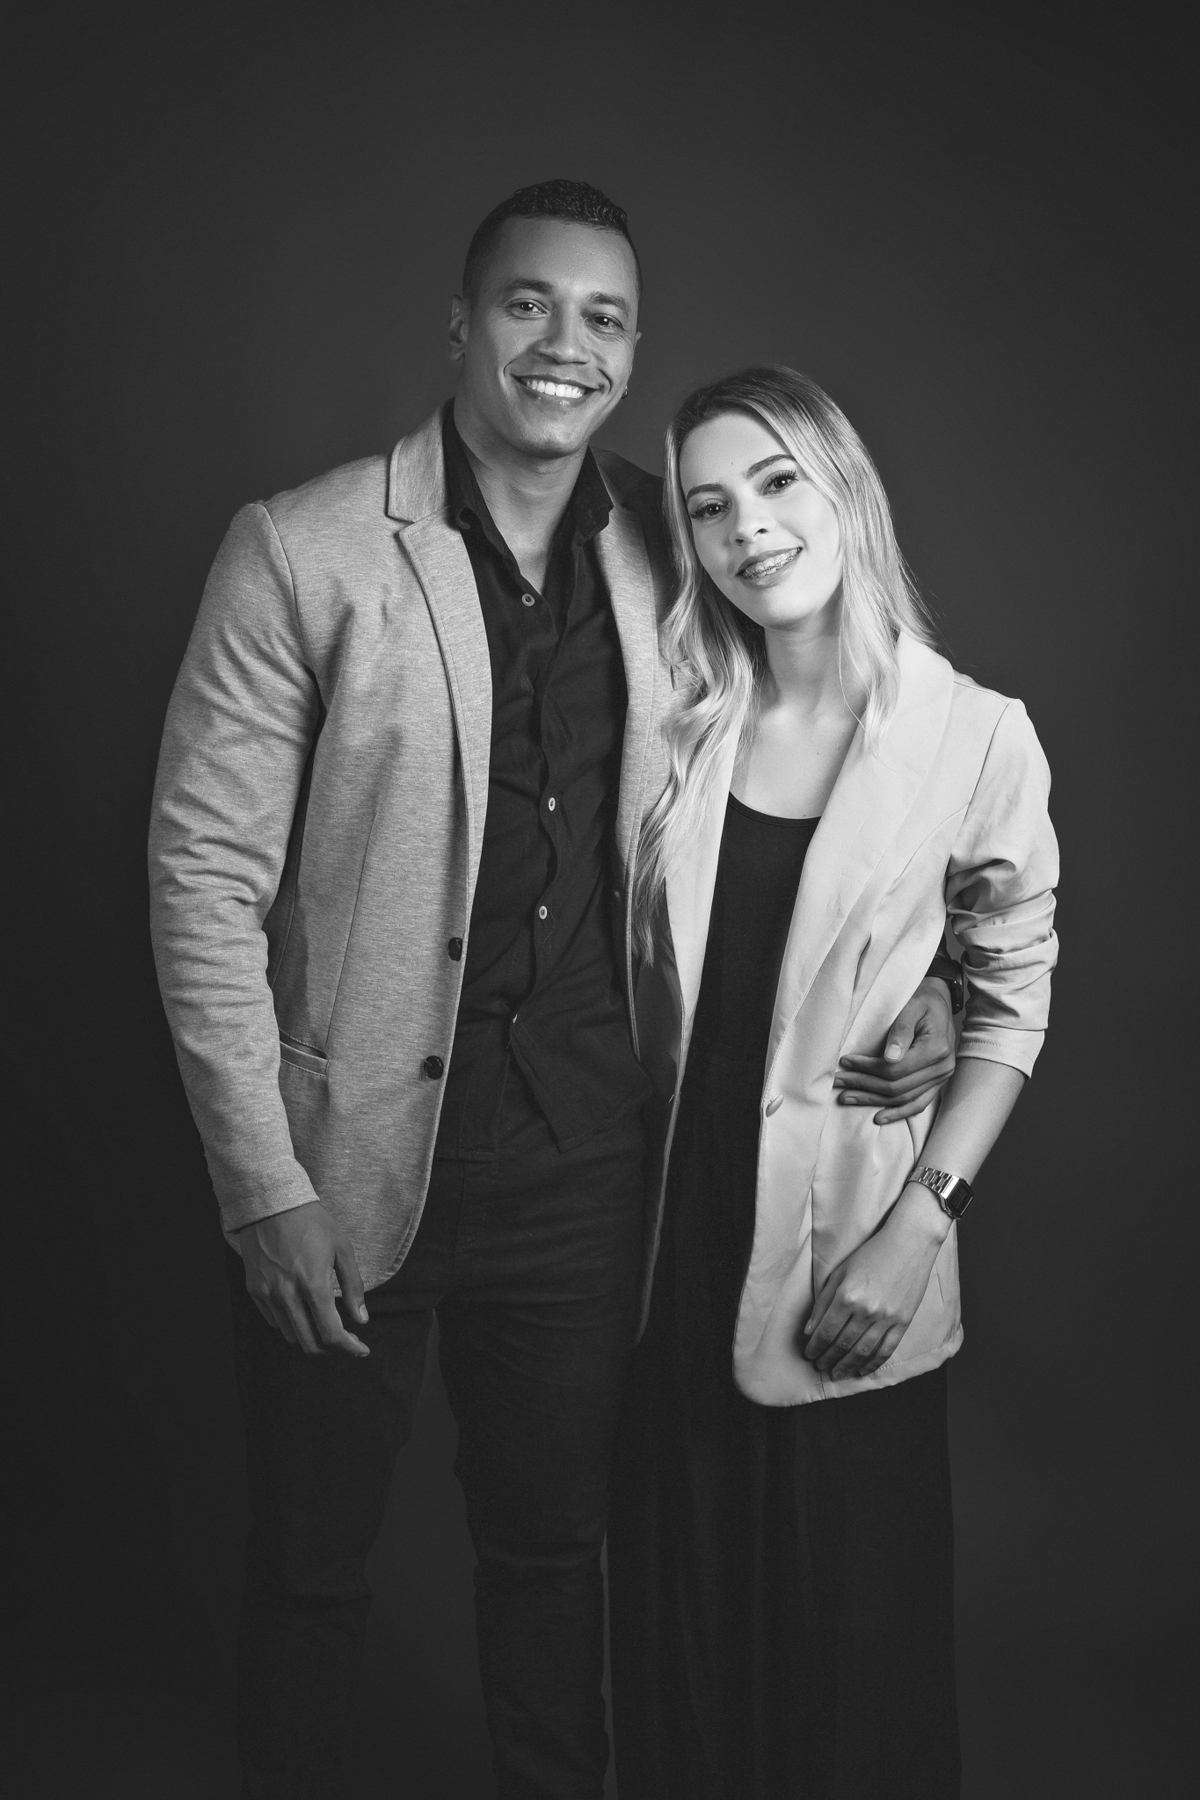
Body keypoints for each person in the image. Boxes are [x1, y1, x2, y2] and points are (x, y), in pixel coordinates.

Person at [148, 186, 957, 1800]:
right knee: (309, 1563)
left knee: (553, 1556)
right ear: (462, 324)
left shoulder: (686, 544)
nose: (563, 344)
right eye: (528, 304)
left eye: (603, 317)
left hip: (589, 1163)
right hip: (343, 1159)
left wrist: (926, 972)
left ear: (633, 349)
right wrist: (261, 1186)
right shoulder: (301, 548)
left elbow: (849, 755)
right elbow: (200, 879)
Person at [609, 366, 1059, 1800]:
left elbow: (1012, 1000)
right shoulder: (675, 725)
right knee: (684, 1657)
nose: (748, 529)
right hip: (669, 1257)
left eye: (777, 482)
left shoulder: (976, 735)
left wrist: (920, 1224)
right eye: (708, 508)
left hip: (851, 1255)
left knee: (851, 1669)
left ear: (846, 488)